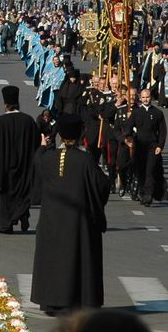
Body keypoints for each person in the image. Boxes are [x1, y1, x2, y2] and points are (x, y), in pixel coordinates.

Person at [30, 115, 110, 316]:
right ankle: (75, 302)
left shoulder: (48, 157)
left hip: (50, 221)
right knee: (75, 260)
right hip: (77, 223)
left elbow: (36, 163)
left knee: (53, 261)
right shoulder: (85, 160)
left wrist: (41, 146)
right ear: (79, 134)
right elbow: (101, 185)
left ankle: (51, 303)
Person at [0, 86, 39, 234]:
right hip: (23, 168)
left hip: (3, 170)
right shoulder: (28, 121)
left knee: (4, 198)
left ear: (5, 104)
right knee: (22, 193)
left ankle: (6, 224)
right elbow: (35, 145)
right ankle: (22, 214)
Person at [127, 88, 166, 206]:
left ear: (151, 98)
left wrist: (160, 145)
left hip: (152, 147)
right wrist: (128, 137)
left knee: (150, 171)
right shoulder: (136, 113)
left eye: (147, 97)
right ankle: (142, 192)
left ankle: (149, 195)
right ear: (140, 98)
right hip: (139, 146)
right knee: (140, 171)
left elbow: (163, 131)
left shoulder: (158, 113)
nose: (145, 99)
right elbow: (129, 126)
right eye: (143, 97)